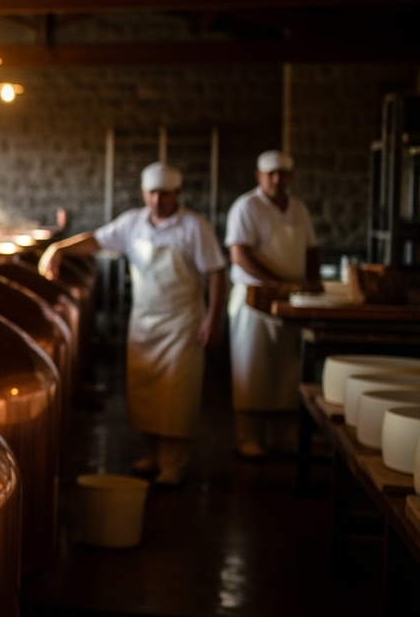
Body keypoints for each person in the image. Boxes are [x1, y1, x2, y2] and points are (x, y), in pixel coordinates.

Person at [41, 162, 228, 486]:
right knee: (147, 394)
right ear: (144, 193)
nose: (158, 200)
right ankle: (153, 454)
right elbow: (95, 240)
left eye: (165, 194)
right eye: (153, 193)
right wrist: (59, 248)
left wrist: (214, 317)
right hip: (144, 320)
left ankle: (174, 463)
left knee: (177, 394)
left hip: (182, 322)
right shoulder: (133, 224)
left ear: (177, 194)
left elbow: (217, 272)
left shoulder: (194, 227)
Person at [226, 150, 320, 458]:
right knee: (253, 368)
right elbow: (239, 254)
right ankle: (247, 437)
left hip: (292, 301)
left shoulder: (299, 209)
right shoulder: (246, 207)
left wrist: (312, 283)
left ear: (291, 176)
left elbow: (311, 249)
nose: (277, 180)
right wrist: (276, 283)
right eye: (271, 174)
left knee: (285, 370)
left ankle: (282, 436)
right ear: (259, 176)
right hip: (255, 299)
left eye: (283, 174)